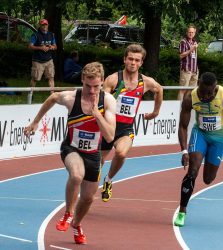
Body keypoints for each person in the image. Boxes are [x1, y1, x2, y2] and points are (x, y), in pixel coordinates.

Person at [24, 62, 116, 244]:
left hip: (93, 154)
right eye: (87, 86)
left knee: (88, 198)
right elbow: (52, 98)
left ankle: (76, 224)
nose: (91, 91)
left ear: (102, 82)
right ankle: (67, 213)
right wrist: (35, 122)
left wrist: (97, 114)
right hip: (71, 148)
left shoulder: (108, 101)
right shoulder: (71, 98)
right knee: (76, 175)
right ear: (82, 80)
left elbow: (110, 135)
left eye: (96, 86)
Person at [174, 72, 223, 227]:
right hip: (199, 134)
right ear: (198, 84)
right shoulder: (190, 98)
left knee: (208, 179)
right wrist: (184, 151)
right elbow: (183, 125)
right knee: (192, 171)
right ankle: (182, 211)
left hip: (218, 138)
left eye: (210, 93)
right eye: (203, 92)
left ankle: (208, 155)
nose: (206, 96)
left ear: (215, 88)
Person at [100, 44, 163, 202]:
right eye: (130, 59)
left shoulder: (145, 82)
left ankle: (108, 180)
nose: (133, 63)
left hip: (125, 129)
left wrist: (156, 112)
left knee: (121, 153)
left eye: (137, 60)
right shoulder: (113, 79)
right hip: (107, 127)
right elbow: (99, 101)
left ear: (141, 63)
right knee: (96, 167)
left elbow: (159, 89)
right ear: (124, 59)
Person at [28, 19, 57, 103]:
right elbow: (30, 46)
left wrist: (51, 47)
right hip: (38, 61)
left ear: (48, 25)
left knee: (51, 77)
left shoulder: (51, 35)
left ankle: (52, 96)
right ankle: (31, 94)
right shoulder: (35, 35)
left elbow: (55, 46)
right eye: (42, 25)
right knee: (35, 79)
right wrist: (41, 48)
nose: (44, 26)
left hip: (49, 60)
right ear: (40, 26)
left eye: (46, 25)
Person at [178, 24, 199, 101]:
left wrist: (196, 69)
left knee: (192, 91)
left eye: (192, 32)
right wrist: (191, 49)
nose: (191, 34)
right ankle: (178, 108)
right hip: (186, 69)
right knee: (182, 90)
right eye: (189, 32)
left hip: (194, 70)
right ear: (187, 32)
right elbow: (181, 56)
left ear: (195, 33)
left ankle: (186, 107)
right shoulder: (183, 42)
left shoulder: (194, 42)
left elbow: (194, 57)